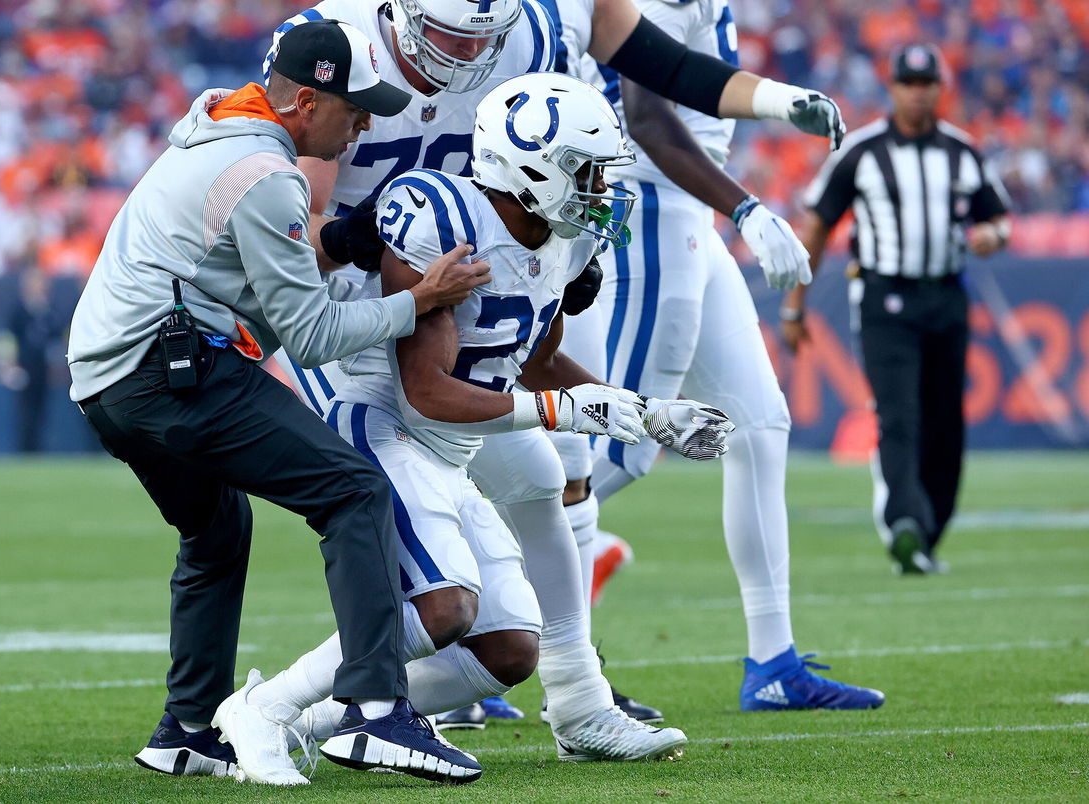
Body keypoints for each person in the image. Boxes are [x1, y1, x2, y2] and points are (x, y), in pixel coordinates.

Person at [264, 0, 848, 728]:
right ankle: (294, 706)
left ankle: (576, 698)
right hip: (348, 309)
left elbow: (662, 67)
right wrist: (375, 238)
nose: (467, 53)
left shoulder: (538, 26)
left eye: (487, 36)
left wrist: (775, 100)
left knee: (554, 473)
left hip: (469, 281)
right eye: (449, 33)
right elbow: (291, 234)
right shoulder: (336, 44)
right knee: (438, 541)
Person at [212, 72, 733, 784]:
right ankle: (265, 707)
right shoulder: (441, 217)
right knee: (445, 606)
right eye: (584, 173)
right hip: (385, 417)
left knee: (510, 651)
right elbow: (425, 391)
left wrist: (645, 414)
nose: (599, 191)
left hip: (449, 442)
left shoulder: (566, 239)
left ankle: (312, 720)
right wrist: (567, 412)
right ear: (528, 167)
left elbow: (533, 360)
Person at [67, 20, 490, 785]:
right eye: (353, 106)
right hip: (170, 368)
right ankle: (374, 710)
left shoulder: (216, 131)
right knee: (355, 490)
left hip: (108, 381)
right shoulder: (266, 170)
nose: (364, 122)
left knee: (217, 530)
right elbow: (315, 332)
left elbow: (245, 264)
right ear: (301, 100)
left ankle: (189, 730)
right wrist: (420, 298)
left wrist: (348, 241)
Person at [564, 0, 884, 712]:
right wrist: (747, 206)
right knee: (620, 450)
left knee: (760, 424)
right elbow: (647, 119)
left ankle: (773, 661)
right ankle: (477, 620)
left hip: (685, 214)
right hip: (647, 207)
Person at [783, 43, 1011, 575]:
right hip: (885, 297)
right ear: (893, 89)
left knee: (946, 423)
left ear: (939, 87)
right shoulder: (862, 152)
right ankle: (904, 521)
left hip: (946, 297)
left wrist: (992, 237)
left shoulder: (963, 151)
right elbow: (817, 224)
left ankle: (928, 531)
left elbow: (999, 218)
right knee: (899, 414)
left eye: (926, 82)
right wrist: (796, 305)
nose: (917, 91)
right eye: (907, 82)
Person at [0, 267, 67, 453]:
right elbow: (7, 337)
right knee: (26, 411)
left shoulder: (50, 311)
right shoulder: (18, 311)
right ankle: (25, 449)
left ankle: (38, 449)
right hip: (24, 368)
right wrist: (8, 363)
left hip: (43, 368)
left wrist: (57, 365)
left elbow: (57, 340)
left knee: (43, 410)